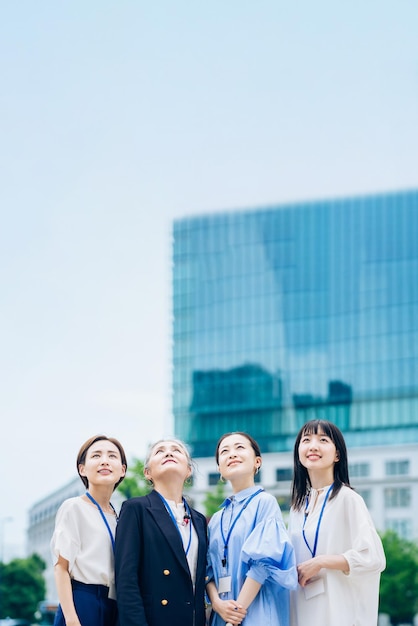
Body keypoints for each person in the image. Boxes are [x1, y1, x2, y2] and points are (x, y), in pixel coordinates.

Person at [288, 419, 386, 626]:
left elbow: (373, 557)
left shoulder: (347, 498)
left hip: (337, 612)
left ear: (337, 454)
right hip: (302, 610)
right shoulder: (297, 508)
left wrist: (321, 561)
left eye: (323, 440)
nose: (313, 446)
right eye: (306, 440)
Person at [206, 431, 297, 626]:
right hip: (221, 616)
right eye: (224, 451)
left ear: (257, 461)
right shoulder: (216, 519)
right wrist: (217, 604)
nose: (232, 454)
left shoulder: (265, 503)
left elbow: (263, 565)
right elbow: (208, 572)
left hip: (256, 613)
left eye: (239, 447)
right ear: (219, 469)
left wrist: (235, 616)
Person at [114, 438, 208, 626]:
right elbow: (126, 580)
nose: (168, 452)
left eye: (176, 450)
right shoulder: (136, 509)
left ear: (189, 470)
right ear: (147, 473)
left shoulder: (199, 520)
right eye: (159, 451)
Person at [51, 434, 127, 626]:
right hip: (83, 601)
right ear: (82, 469)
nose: (104, 461)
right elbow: (61, 567)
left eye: (112, 456)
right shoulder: (74, 507)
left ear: (122, 470)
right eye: (96, 456)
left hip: (114, 605)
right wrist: (71, 618)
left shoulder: (119, 516)